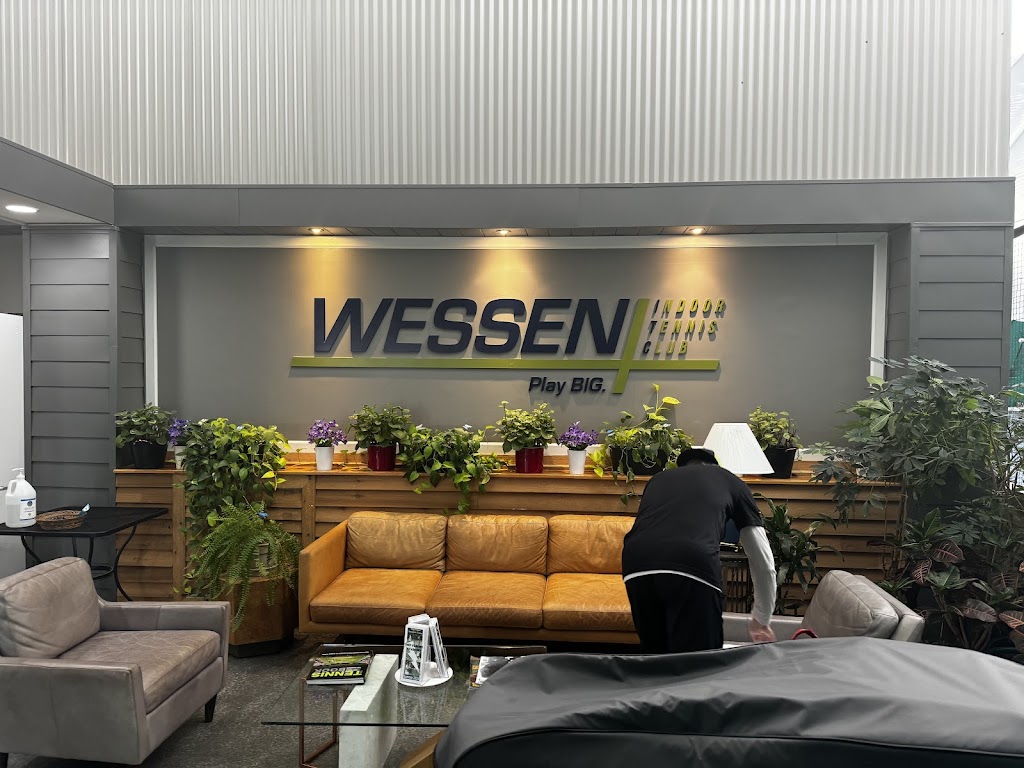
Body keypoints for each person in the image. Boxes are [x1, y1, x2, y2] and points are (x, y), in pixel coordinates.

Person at [622, 447, 777, 652]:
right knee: (702, 661)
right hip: (693, 563)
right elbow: (762, 559)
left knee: (656, 658)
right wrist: (761, 619)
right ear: (714, 465)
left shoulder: (658, 479)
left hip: (636, 564)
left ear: (682, 466)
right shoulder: (730, 480)